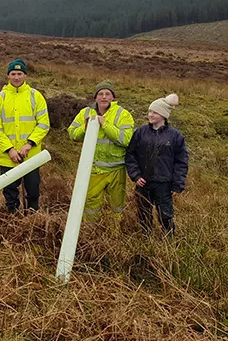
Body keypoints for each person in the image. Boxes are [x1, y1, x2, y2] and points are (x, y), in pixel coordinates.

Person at [68, 81, 134, 224]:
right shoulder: (85, 113)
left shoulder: (123, 114)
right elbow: (72, 134)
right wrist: (85, 127)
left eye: (107, 94)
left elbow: (126, 139)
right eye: (101, 94)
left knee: (116, 206)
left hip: (116, 169)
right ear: (95, 97)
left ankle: (113, 235)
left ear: (113, 97)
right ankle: (91, 234)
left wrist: (104, 124)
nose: (104, 97)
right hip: (93, 169)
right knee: (91, 206)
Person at [0, 59, 50, 212]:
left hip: (31, 156)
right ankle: (13, 220)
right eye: (13, 74)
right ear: (8, 76)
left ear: (25, 76)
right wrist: (10, 149)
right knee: (10, 193)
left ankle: (32, 220)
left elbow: (43, 124)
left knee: (33, 192)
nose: (16, 77)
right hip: (8, 157)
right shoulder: (0, 98)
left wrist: (29, 144)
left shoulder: (35, 96)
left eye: (20, 74)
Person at [125, 94, 188, 235]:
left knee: (165, 216)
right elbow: (130, 155)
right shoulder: (140, 133)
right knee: (143, 215)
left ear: (164, 115)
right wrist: (135, 175)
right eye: (150, 111)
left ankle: (169, 241)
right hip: (143, 183)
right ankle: (146, 240)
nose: (150, 115)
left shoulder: (175, 136)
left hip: (164, 184)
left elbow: (181, 161)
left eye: (154, 112)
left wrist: (177, 184)